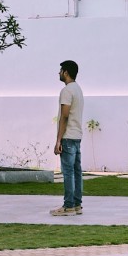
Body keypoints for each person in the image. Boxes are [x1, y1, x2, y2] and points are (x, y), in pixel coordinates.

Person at [51, 59, 85, 217]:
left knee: (68, 172)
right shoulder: (78, 89)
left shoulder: (66, 91)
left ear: (66, 72)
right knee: (77, 172)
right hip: (77, 136)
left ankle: (69, 206)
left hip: (68, 137)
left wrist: (58, 140)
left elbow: (64, 117)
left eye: (60, 70)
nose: (59, 73)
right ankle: (77, 204)